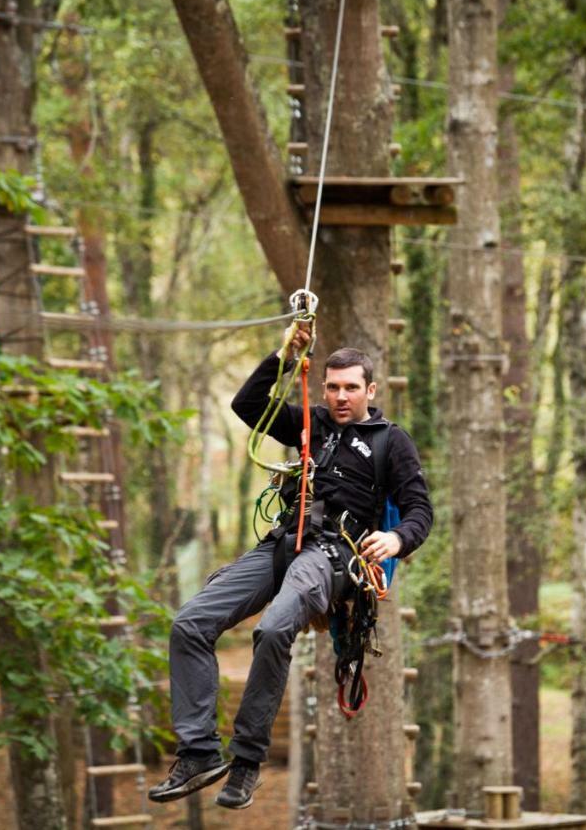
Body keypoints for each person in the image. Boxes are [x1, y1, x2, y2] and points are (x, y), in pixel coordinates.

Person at [148, 323, 434, 810]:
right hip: (282, 545)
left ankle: (245, 763)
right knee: (189, 624)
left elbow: (420, 510)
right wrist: (284, 356)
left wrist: (396, 537)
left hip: (333, 555)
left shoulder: (390, 442)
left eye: (351, 388)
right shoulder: (313, 424)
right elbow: (248, 406)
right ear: (323, 388)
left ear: (370, 390)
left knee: (275, 628)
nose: (341, 397)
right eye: (333, 387)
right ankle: (198, 752)